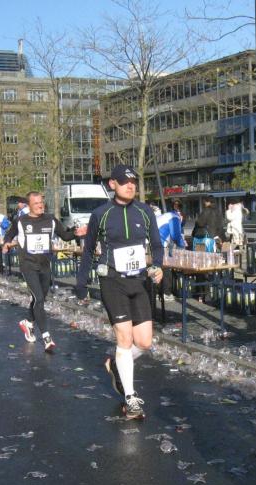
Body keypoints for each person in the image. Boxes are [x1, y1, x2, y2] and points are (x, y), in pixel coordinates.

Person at [76, 165, 163, 420]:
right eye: (125, 182)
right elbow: (88, 250)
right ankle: (130, 398)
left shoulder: (145, 211)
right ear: (112, 184)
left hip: (139, 281)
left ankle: (116, 363)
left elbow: (157, 245)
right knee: (124, 339)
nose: (130, 185)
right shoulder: (101, 214)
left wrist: (158, 266)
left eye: (133, 182)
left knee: (144, 342)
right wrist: (82, 283)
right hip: (112, 281)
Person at [3, 192, 87, 352]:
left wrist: (76, 233)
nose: (40, 205)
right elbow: (9, 234)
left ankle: (28, 322)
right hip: (28, 265)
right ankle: (46, 337)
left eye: (41, 202)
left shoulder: (50, 219)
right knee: (39, 298)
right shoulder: (21, 221)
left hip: (45, 265)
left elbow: (65, 235)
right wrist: (7, 243)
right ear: (29, 205)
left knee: (39, 298)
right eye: (36, 203)